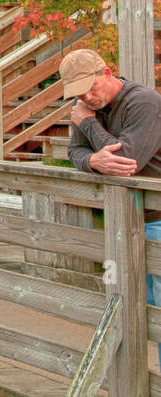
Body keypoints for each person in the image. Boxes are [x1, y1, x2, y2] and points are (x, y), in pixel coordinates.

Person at [59, 48, 161, 374]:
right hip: (125, 222)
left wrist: (88, 125)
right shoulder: (90, 107)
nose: (88, 97)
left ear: (107, 73)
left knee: (159, 314)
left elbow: (127, 162)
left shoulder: (142, 102)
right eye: (79, 95)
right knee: (132, 311)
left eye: (92, 88)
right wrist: (91, 160)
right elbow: (73, 151)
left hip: (157, 219)